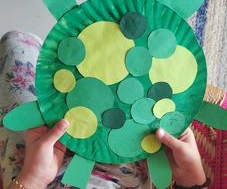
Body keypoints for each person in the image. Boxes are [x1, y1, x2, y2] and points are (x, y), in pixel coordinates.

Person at [0, 31, 208, 189]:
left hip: (46, 171)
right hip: (132, 164)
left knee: (16, 42)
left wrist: (33, 178)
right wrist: (192, 179)